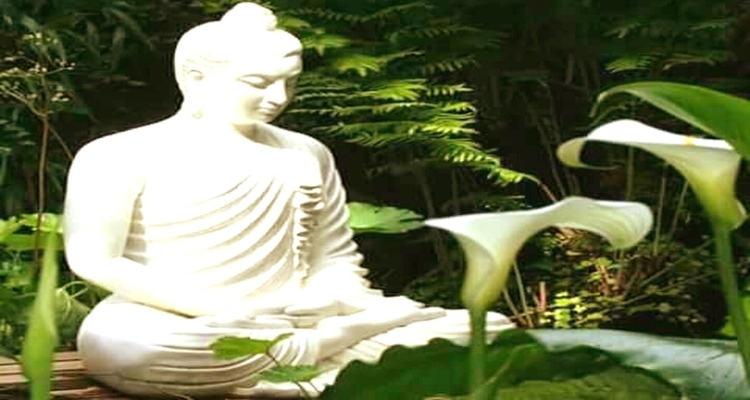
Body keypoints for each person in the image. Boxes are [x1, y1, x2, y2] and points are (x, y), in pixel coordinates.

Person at [62, 3, 513, 397]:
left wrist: (337, 299)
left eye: (290, 83)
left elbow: (333, 257)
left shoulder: (306, 153)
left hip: (297, 317)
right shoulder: (119, 154)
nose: (277, 98)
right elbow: (96, 260)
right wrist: (225, 310)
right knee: (132, 349)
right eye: (258, 82)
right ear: (196, 78)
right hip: (174, 319)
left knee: (487, 329)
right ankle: (336, 356)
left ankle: (312, 361)